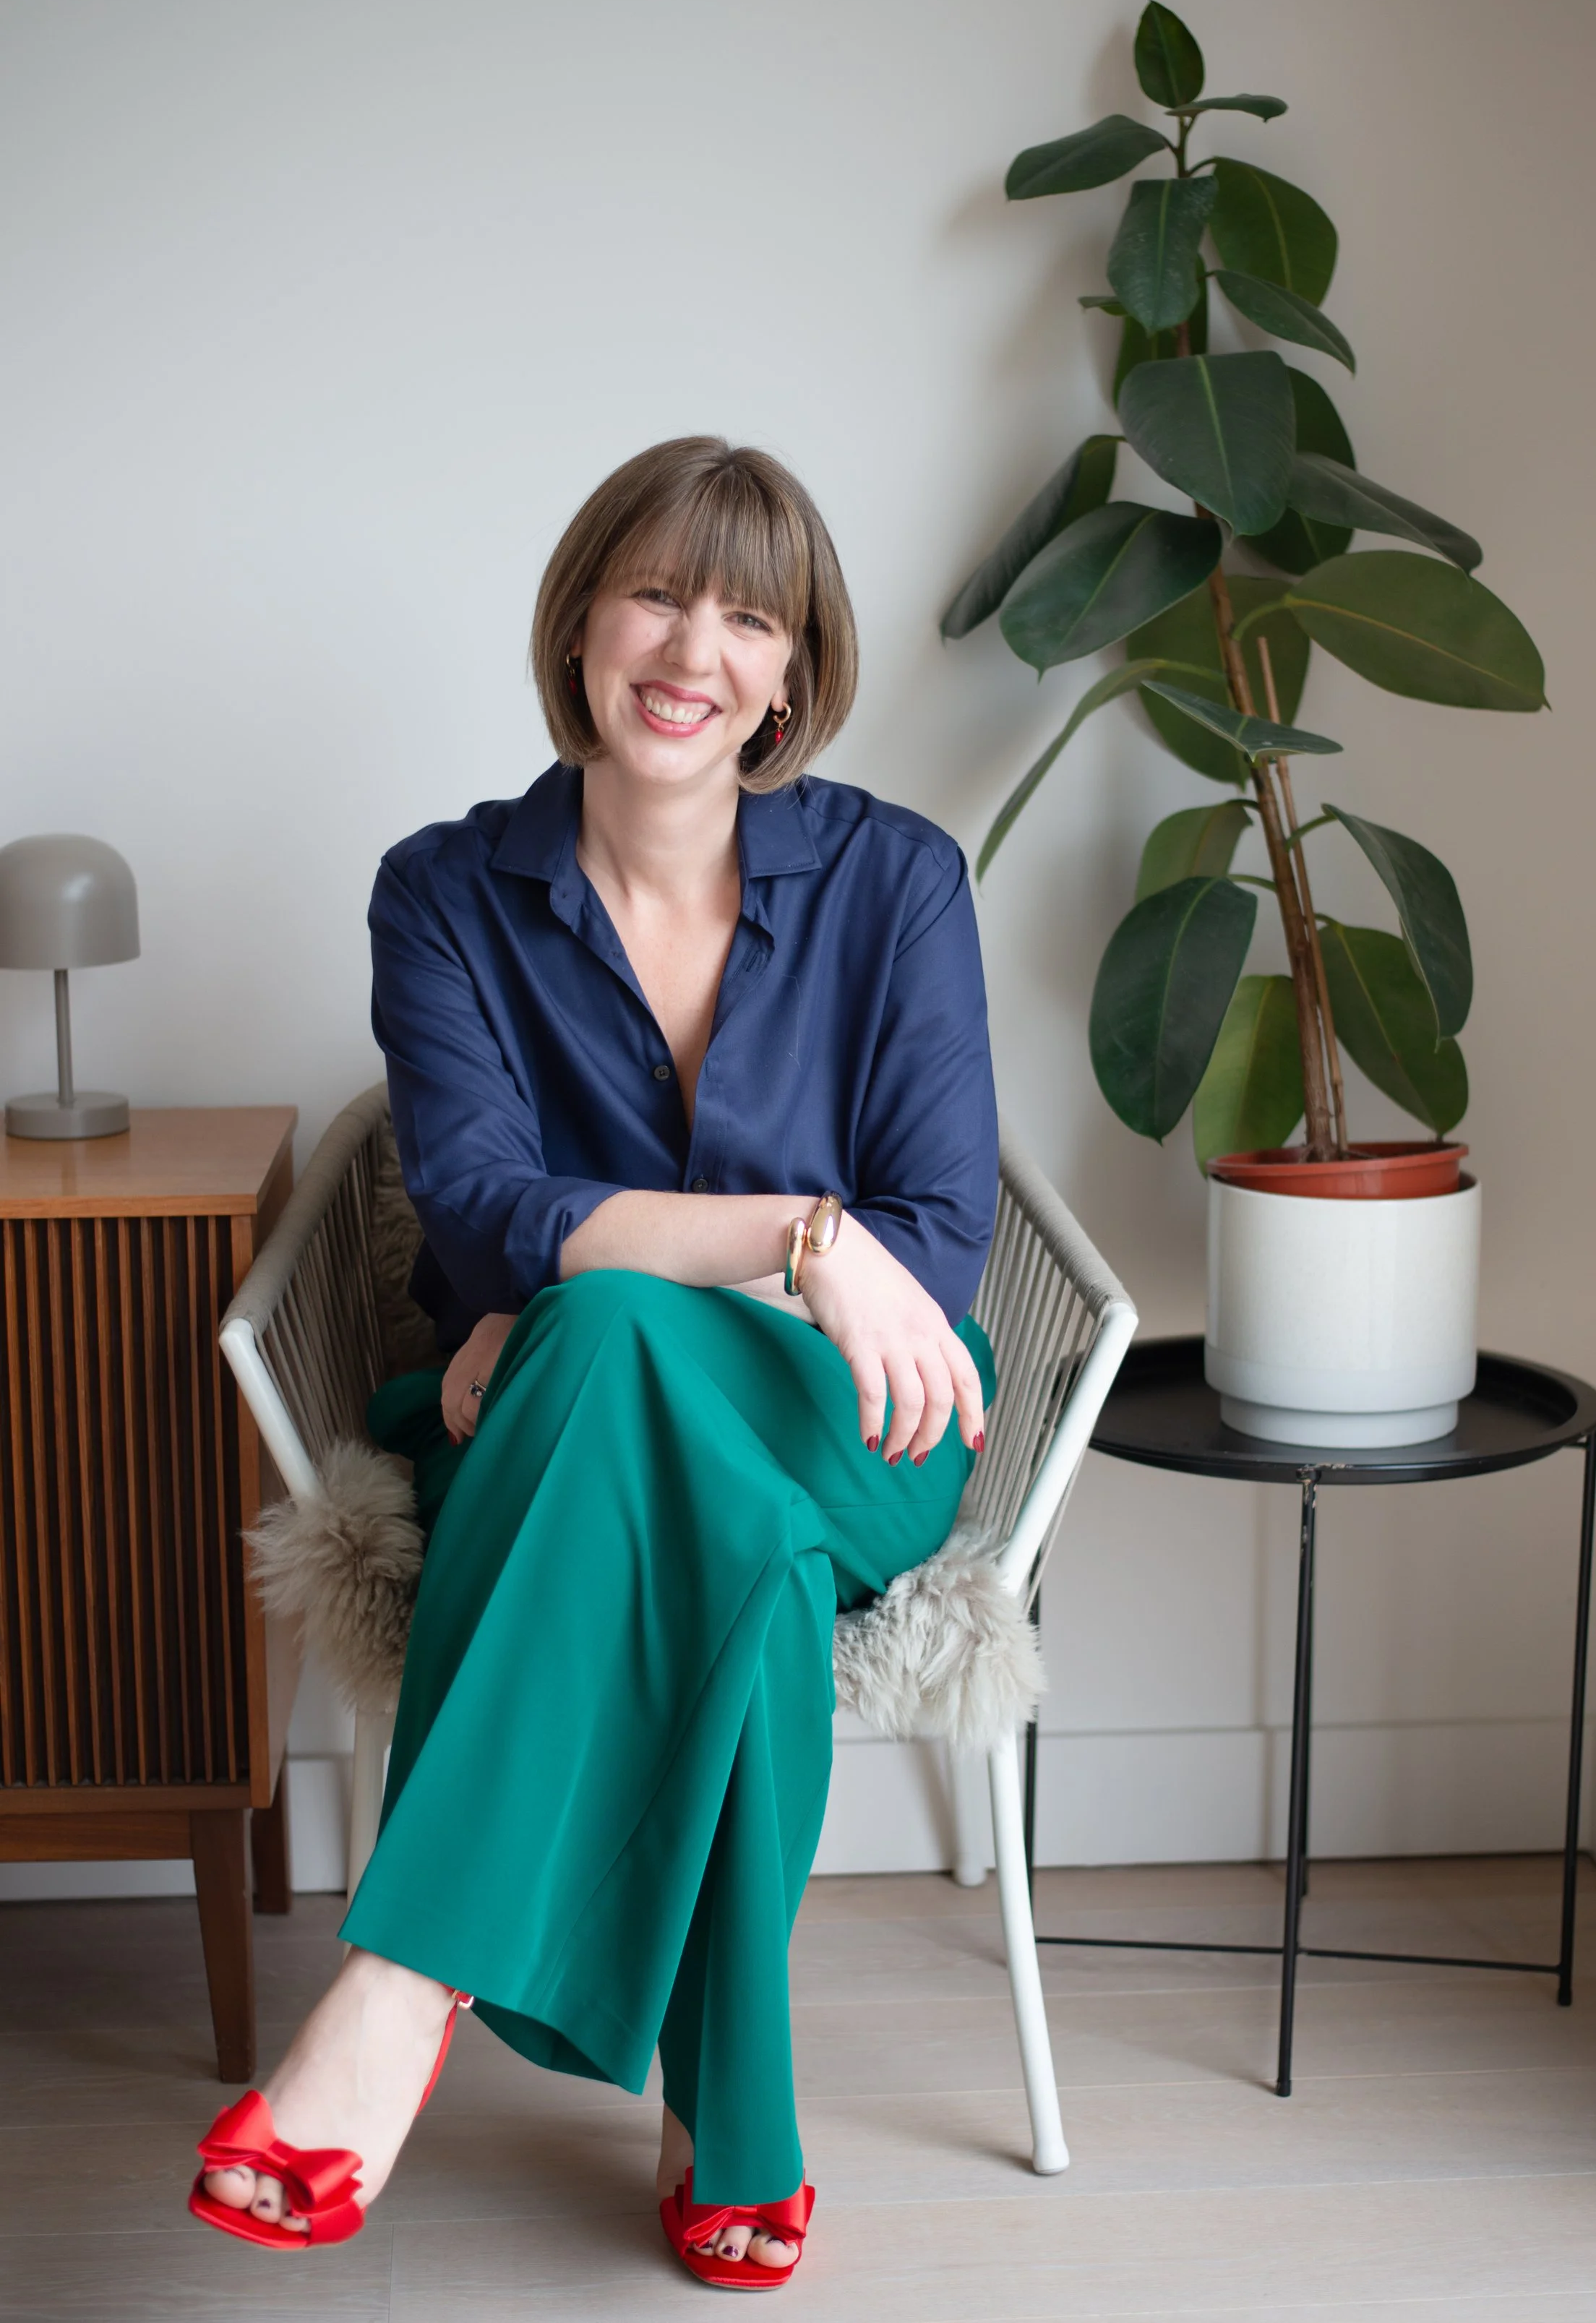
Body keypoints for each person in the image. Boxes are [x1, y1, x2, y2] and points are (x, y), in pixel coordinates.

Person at [186, 437, 998, 2288]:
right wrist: (801, 1239)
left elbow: (937, 1237)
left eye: (746, 613)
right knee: (739, 1546)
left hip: (853, 1414)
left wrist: (601, 1261)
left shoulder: (895, 884)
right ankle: (732, 2116)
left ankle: (400, 1987)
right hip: (569, 1423)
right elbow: (473, 1201)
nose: (688, 646)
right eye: (652, 591)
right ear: (577, 623)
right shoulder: (444, 892)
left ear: (793, 671)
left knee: (616, 1320)